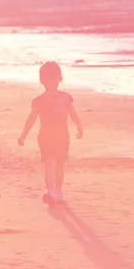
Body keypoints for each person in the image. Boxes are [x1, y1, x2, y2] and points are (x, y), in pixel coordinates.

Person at [18, 61, 83, 206]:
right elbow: (31, 119)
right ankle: (51, 191)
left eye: (54, 77)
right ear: (42, 81)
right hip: (46, 137)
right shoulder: (39, 101)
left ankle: (59, 190)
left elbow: (73, 113)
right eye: (48, 78)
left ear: (60, 78)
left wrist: (79, 126)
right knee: (50, 163)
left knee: (60, 164)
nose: (52, 81)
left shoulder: (65, 97)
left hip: (62, 137)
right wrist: (23, 135)